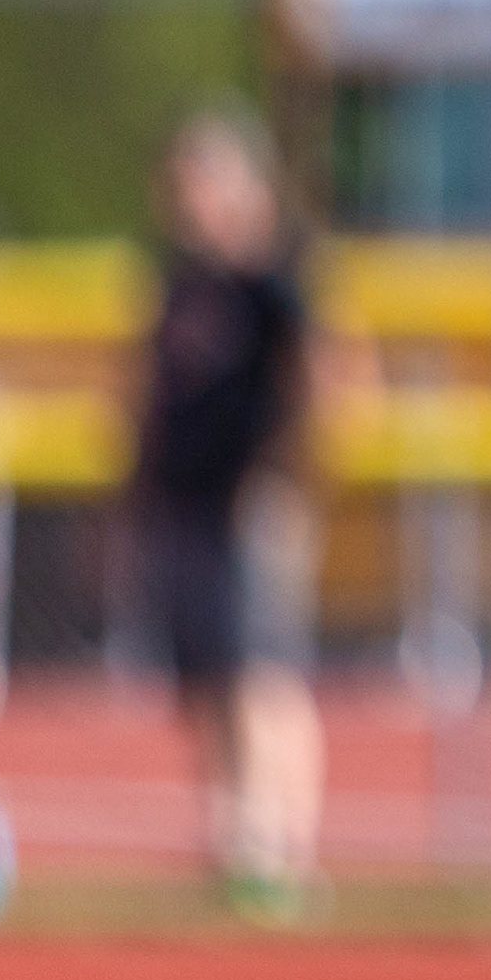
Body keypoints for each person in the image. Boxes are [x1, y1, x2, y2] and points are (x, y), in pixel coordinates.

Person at [130, 112, 324, 919]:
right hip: (185, 500)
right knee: (208, 678)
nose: (191, 199)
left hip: (251, 501)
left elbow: (324, 375)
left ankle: (281, 847)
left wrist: (290, 473)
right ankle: (233, 839)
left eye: (206, 181)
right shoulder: (179, 280)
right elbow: (150, 393)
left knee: (263, 674)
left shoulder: (274, 279)